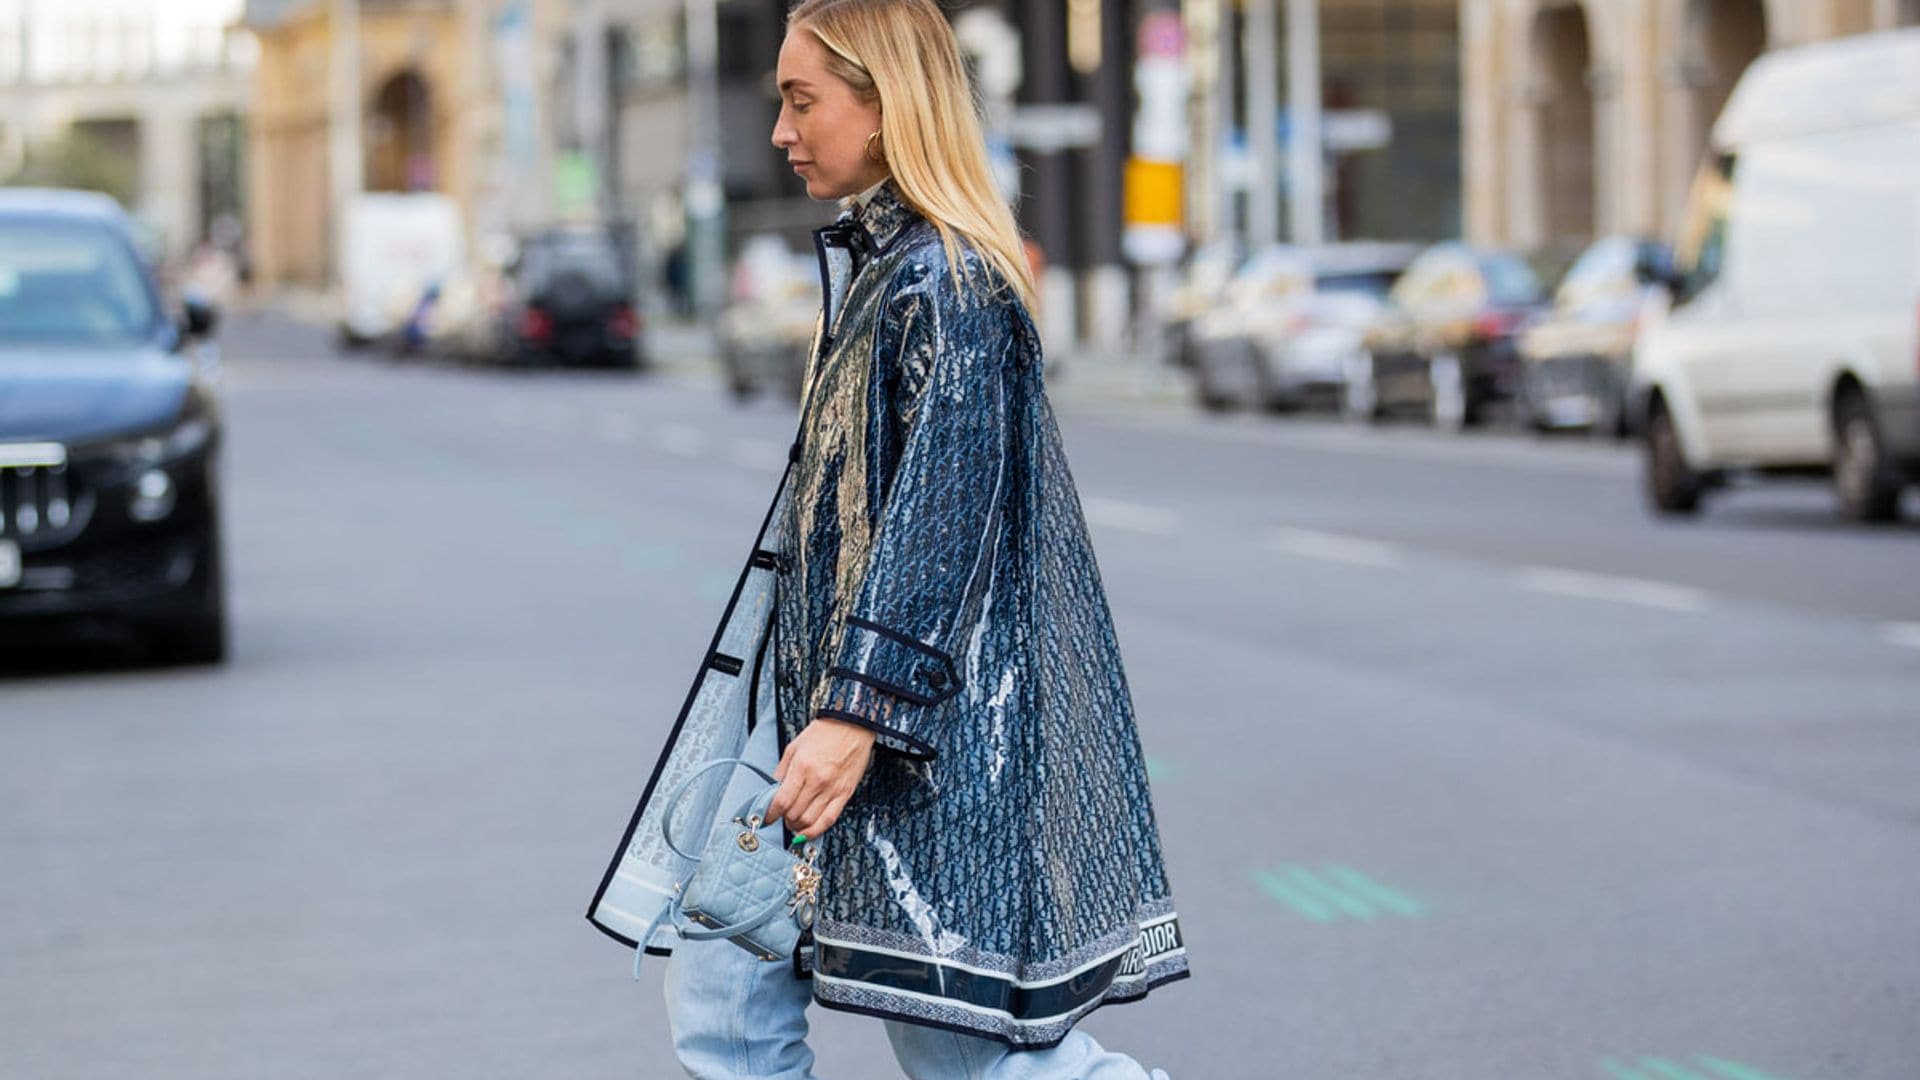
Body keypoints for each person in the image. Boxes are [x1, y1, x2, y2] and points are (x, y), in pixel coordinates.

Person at [586, 2, 1186, 1076]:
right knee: (724, 978)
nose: (781, 129)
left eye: (802, 100)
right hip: (829, 698)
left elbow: (940, 522)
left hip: (912, 726)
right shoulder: (885, 269)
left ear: (885, 105)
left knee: (960, 1045)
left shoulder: (949, 284)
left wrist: (856, 715)